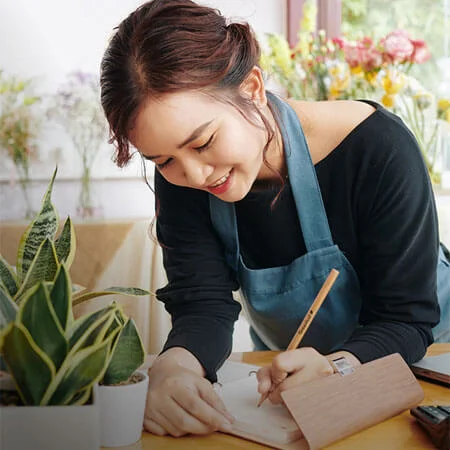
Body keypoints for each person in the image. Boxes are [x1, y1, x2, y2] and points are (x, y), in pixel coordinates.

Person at [100, 0, 450, 438]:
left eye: (204, 142)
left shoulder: (377, 148)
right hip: (291, 383)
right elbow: (202, 303)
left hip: (425, 367)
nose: (193, 175)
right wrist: (175, 367)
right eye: (164, 160)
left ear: (252, 88)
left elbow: (405, 320)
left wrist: (336, 366)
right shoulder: (183, 174)